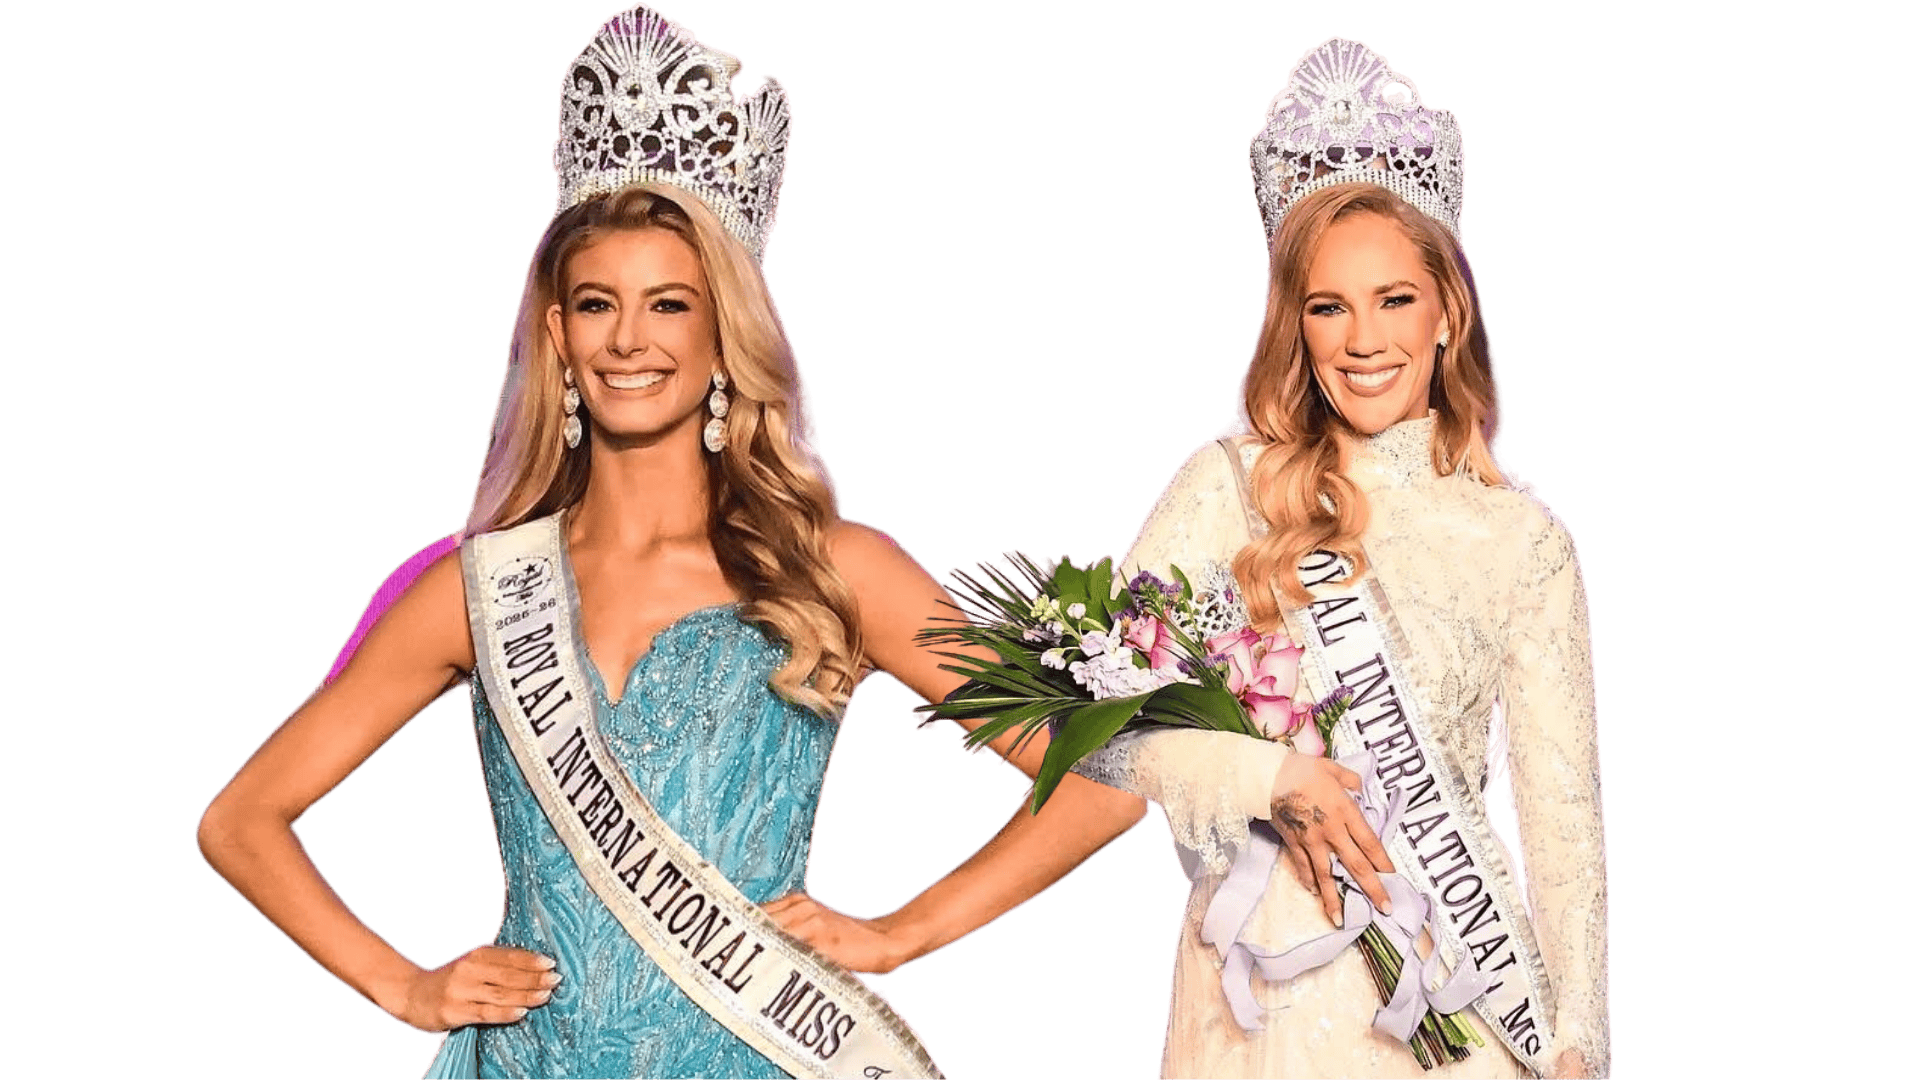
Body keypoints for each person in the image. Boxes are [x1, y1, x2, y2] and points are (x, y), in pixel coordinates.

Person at [193, 6, 1144, 1078]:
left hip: (757, 1045)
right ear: (558, 333)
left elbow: (1109, 774)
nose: (631, 339)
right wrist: (403, 983)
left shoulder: (834, 568)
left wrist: (903, 930)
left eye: (670, 304)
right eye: (597, 304)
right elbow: (242, 817)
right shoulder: (483, 588)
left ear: (721, 332)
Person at [1059, 37, 1611, 1079]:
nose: (1363, 339)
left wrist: (1578, 1044)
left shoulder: (1524, 541)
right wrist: (1269, 774)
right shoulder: (1228, 484)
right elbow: (1095, 723)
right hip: (1261, 993)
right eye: (1328, 306)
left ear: (1449, 311)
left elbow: (1565, 823)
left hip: (1462, 989)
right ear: (1295, 326)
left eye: (1394, 299)